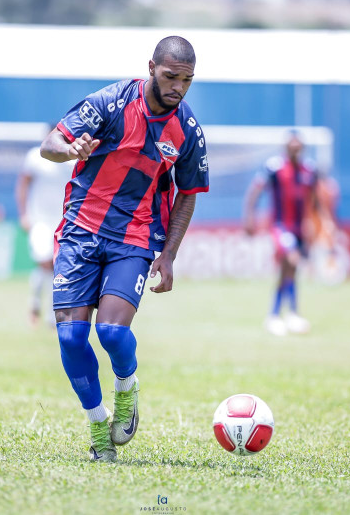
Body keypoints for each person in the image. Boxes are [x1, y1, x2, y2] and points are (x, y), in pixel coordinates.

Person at [39, 36, 208, 462]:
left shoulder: (187, 131)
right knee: (71, 337)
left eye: (187, 80)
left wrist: (168, 254)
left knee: (112, 333)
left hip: (135, 237)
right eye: (171, 77)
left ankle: (127, 388)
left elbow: (188, 193)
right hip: (80, 230)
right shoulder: (111, 102)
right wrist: (70, 149)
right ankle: (98, 425)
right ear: (151, 67)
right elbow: (50, 145)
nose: (178, 88)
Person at [243, 132, 323, 336]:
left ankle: (288, 314)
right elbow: (255, 191)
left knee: (290, 270)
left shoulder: (309, 170)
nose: (295, 150)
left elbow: (315, 200)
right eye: (291, 146)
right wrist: (249, 217)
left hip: (300, 227)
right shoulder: (275, 167)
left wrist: (316, 222)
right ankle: (276, 315)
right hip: (280, 226)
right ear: (286, 148)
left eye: (298, 147)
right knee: (292, 260)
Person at [14, 145, 72, 327]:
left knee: (58, 267)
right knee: (45, 262)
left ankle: (46, 312)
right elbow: (23, 184)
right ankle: (39, 305)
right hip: (39, 219)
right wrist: (23, 214)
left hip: (62, 220)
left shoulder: (73, 158)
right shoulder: (35, 156)